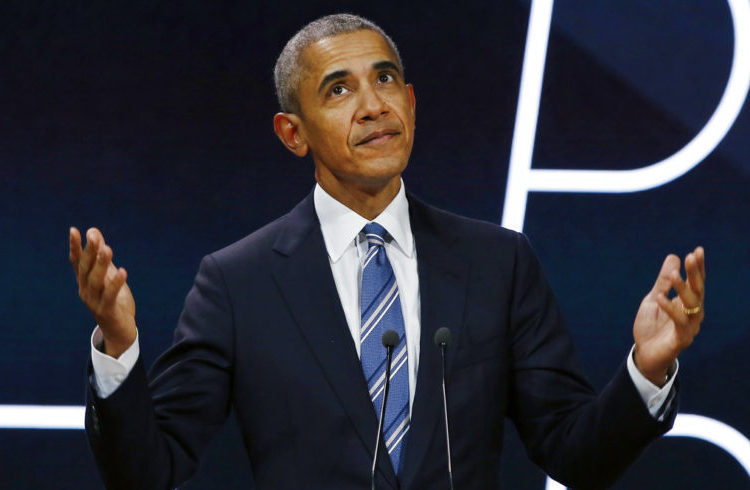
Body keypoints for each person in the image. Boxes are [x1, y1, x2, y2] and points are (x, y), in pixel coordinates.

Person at [69, 14, 706, 490]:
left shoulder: (497, 263)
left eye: (385, 79)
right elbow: (149, 472)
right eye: (339, 90)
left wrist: (645, 371)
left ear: (411, 103)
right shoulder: (238, 282)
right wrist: (118, 347)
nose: (373, 105)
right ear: (293, 133)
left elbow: (575, 455)